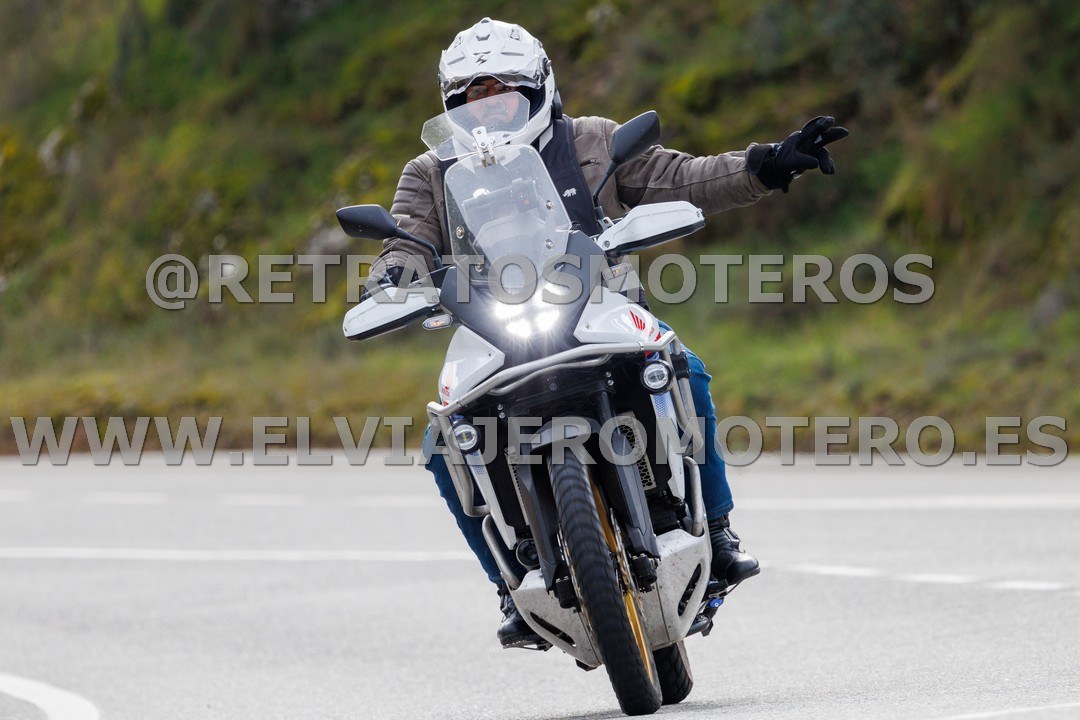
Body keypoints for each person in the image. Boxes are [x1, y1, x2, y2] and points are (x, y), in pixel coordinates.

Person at [365, 17, 848, 647]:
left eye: (504, 97)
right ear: (451, 107)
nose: (490, 112)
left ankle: (718, 531)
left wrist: (770, 163)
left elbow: (684, 177)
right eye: (473, 101)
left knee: (684, 368)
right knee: (442, 442)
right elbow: (405, 238)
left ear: (539, 90)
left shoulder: (592, 140)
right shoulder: (429, 172)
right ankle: (510, 586)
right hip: (490, 325)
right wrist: (391, 279)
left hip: (600, 306)